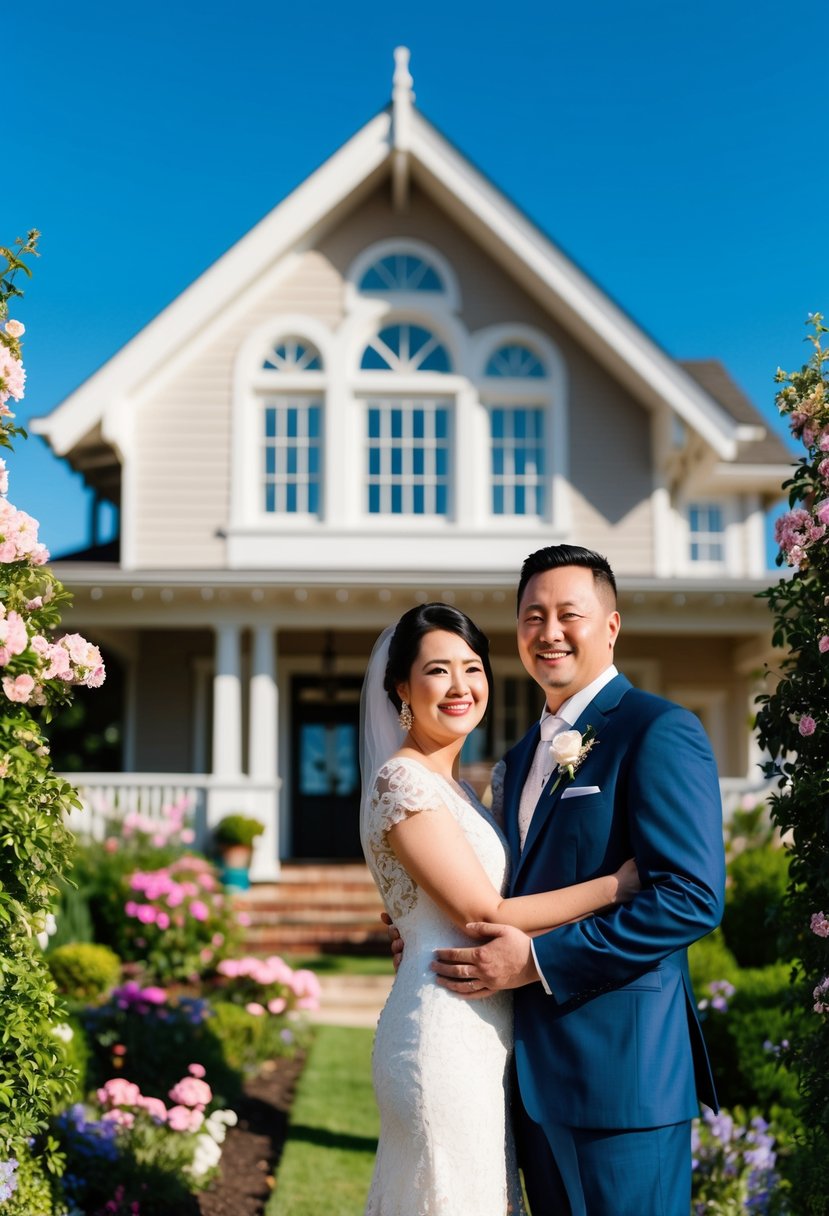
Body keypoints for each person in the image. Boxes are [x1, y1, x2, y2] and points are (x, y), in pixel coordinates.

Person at [430, 545, 726, 1216]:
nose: (550, 632)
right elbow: (508, 893)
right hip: (531, 1085)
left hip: (621, 1083)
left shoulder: (657, 730)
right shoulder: (517, 757)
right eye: (532, 616)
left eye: (570, 614)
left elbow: (689, 898)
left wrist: (535, 961)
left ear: (611, 625)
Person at [359, 601, 641, 1216]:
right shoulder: (401, 782)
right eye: (438, 671)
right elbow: (481, 910)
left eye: (472, 668)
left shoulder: (460, 787)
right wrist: (616, 886)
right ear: (401, 688)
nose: (460, 686)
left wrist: (411, 924)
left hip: (483, 1032)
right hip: (443, 1030)